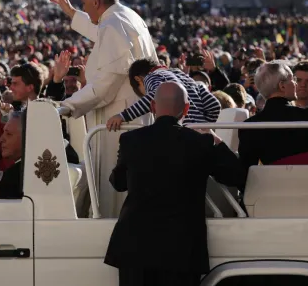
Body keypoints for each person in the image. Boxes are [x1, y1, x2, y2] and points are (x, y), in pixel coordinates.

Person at [104, 82, 244, 286]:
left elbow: (118, 183)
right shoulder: (199, 143)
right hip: (181, 250)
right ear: (186, 109)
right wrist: (216, 141)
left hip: (135, 246)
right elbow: (236, 175)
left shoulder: (130, 140)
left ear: (152, 106)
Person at [49, 0, 157, 217]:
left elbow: (103, 86)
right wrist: (72, 13)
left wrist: (65, 107)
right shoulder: (125, 16)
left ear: (96, 0)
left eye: (85, 4)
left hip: (119, 121)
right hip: (132, 114)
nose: (85, 8)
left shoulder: (113, 25)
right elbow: (102, 33)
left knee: (115, 191)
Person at [237, 61, 308, 180]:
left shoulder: (250, 127)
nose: (296, 84)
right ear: (282, 86)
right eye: (293, 80)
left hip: (271, 193)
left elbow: (245, 175)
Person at [106, 58, 221, 131]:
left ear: (138, 79)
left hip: (182, 134)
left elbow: (156, 95)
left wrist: (123, 116)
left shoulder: (152, 77)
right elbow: (214, 104)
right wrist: (204, 126)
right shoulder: (183, 76)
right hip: (202, 135)